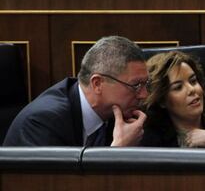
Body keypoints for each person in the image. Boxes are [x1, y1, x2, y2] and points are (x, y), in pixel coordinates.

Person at [3, 36, 148, 146]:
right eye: (135, 85)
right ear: (97, 84)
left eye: (145, 84)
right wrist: (119, 152)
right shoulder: (43, 123)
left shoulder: (120, 117)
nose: (144, 94)